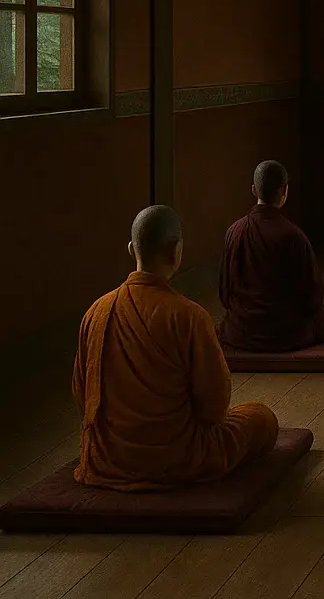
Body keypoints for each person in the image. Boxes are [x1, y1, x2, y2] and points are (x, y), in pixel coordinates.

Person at [73, 206, 279, 490]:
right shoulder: (188, 316)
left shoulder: (97, 311)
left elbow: (82, 395)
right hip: (179, 457)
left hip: (109, 458)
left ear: (132, 249)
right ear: (176, 252)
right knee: (261, 418)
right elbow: (214, 409)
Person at [218, 160, 324, 352]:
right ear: (285, 191)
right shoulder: (293, 235)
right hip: (285, 334)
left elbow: (225, 293)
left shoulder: (234, 231)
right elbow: (313, 298)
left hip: (241, 332)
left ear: (253, 190)